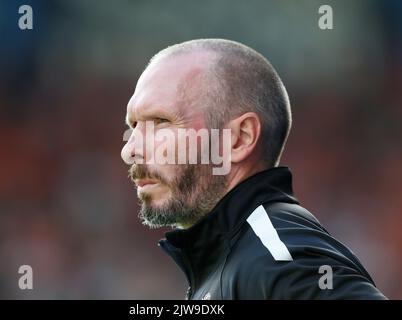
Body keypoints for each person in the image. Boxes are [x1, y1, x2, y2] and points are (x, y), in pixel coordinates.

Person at [121, 38, 386, 299]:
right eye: (134, 126)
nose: (129, 150)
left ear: (239, 138)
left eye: (160, 121)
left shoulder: (279, 260)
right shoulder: (237, 258)